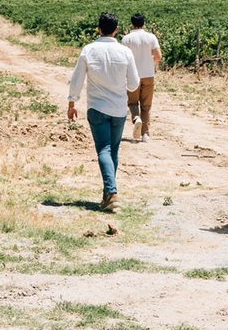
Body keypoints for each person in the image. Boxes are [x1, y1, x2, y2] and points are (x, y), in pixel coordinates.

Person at [68, 12, 140, 212]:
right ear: (117, 30)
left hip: (97, 107)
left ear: (98, 28)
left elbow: (77, 79)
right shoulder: (125, 53)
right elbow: (134, 84)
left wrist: (72, 102)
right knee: (113, 150)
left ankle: (111, 192)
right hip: (118, 108)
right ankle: (108, 194)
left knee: (103, 149)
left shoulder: (89, 50)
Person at [122, 13, 162, 141]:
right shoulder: (151, 37)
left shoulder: (127, 39)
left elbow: (123, 59)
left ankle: (136, 118)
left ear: (132, 24)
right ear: (144, 23)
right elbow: (158, 57)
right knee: (146, 105)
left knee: (133, 102)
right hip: (148, 75)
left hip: (132, 76)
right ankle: (145, 133)